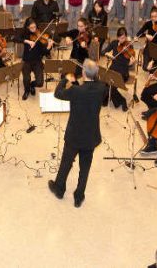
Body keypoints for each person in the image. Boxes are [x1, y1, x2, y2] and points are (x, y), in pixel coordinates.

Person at [48, 59, 107, 208]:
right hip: (91, 136)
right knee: (85, 167)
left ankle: (59, 189)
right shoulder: (102, 88)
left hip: (74, 135)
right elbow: (95, 83)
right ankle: (79, 196)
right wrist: (92, 74)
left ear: (83, 73)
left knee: (66, 162)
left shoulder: (75, 90)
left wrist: (65, 79)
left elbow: (58, 93)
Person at [15, 18, 54, 100]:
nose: (34, 29)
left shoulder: (40, 34)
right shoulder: (25, 33)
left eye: (35, 27)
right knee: (26, 79)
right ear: (27, 27)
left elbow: (44, 52)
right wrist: (27, 41)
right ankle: (27, 90)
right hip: (26, 60)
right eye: (31, 28)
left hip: (37, 60)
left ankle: (32, 85)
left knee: (40, 83)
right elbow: (15, 38)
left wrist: (49, 47)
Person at [102, 27, 137, 111]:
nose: (123, 40)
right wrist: (107, 54)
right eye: (121, 38)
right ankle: (107, 98)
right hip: (112, 70)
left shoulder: (129, 45)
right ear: (117, 37)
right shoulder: (114, 43)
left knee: (112, 86)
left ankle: (122, 101)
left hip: (123, 72)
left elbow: (128, 63)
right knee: (103, 83)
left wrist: (130, 63)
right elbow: (103, 51)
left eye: (124, 37)